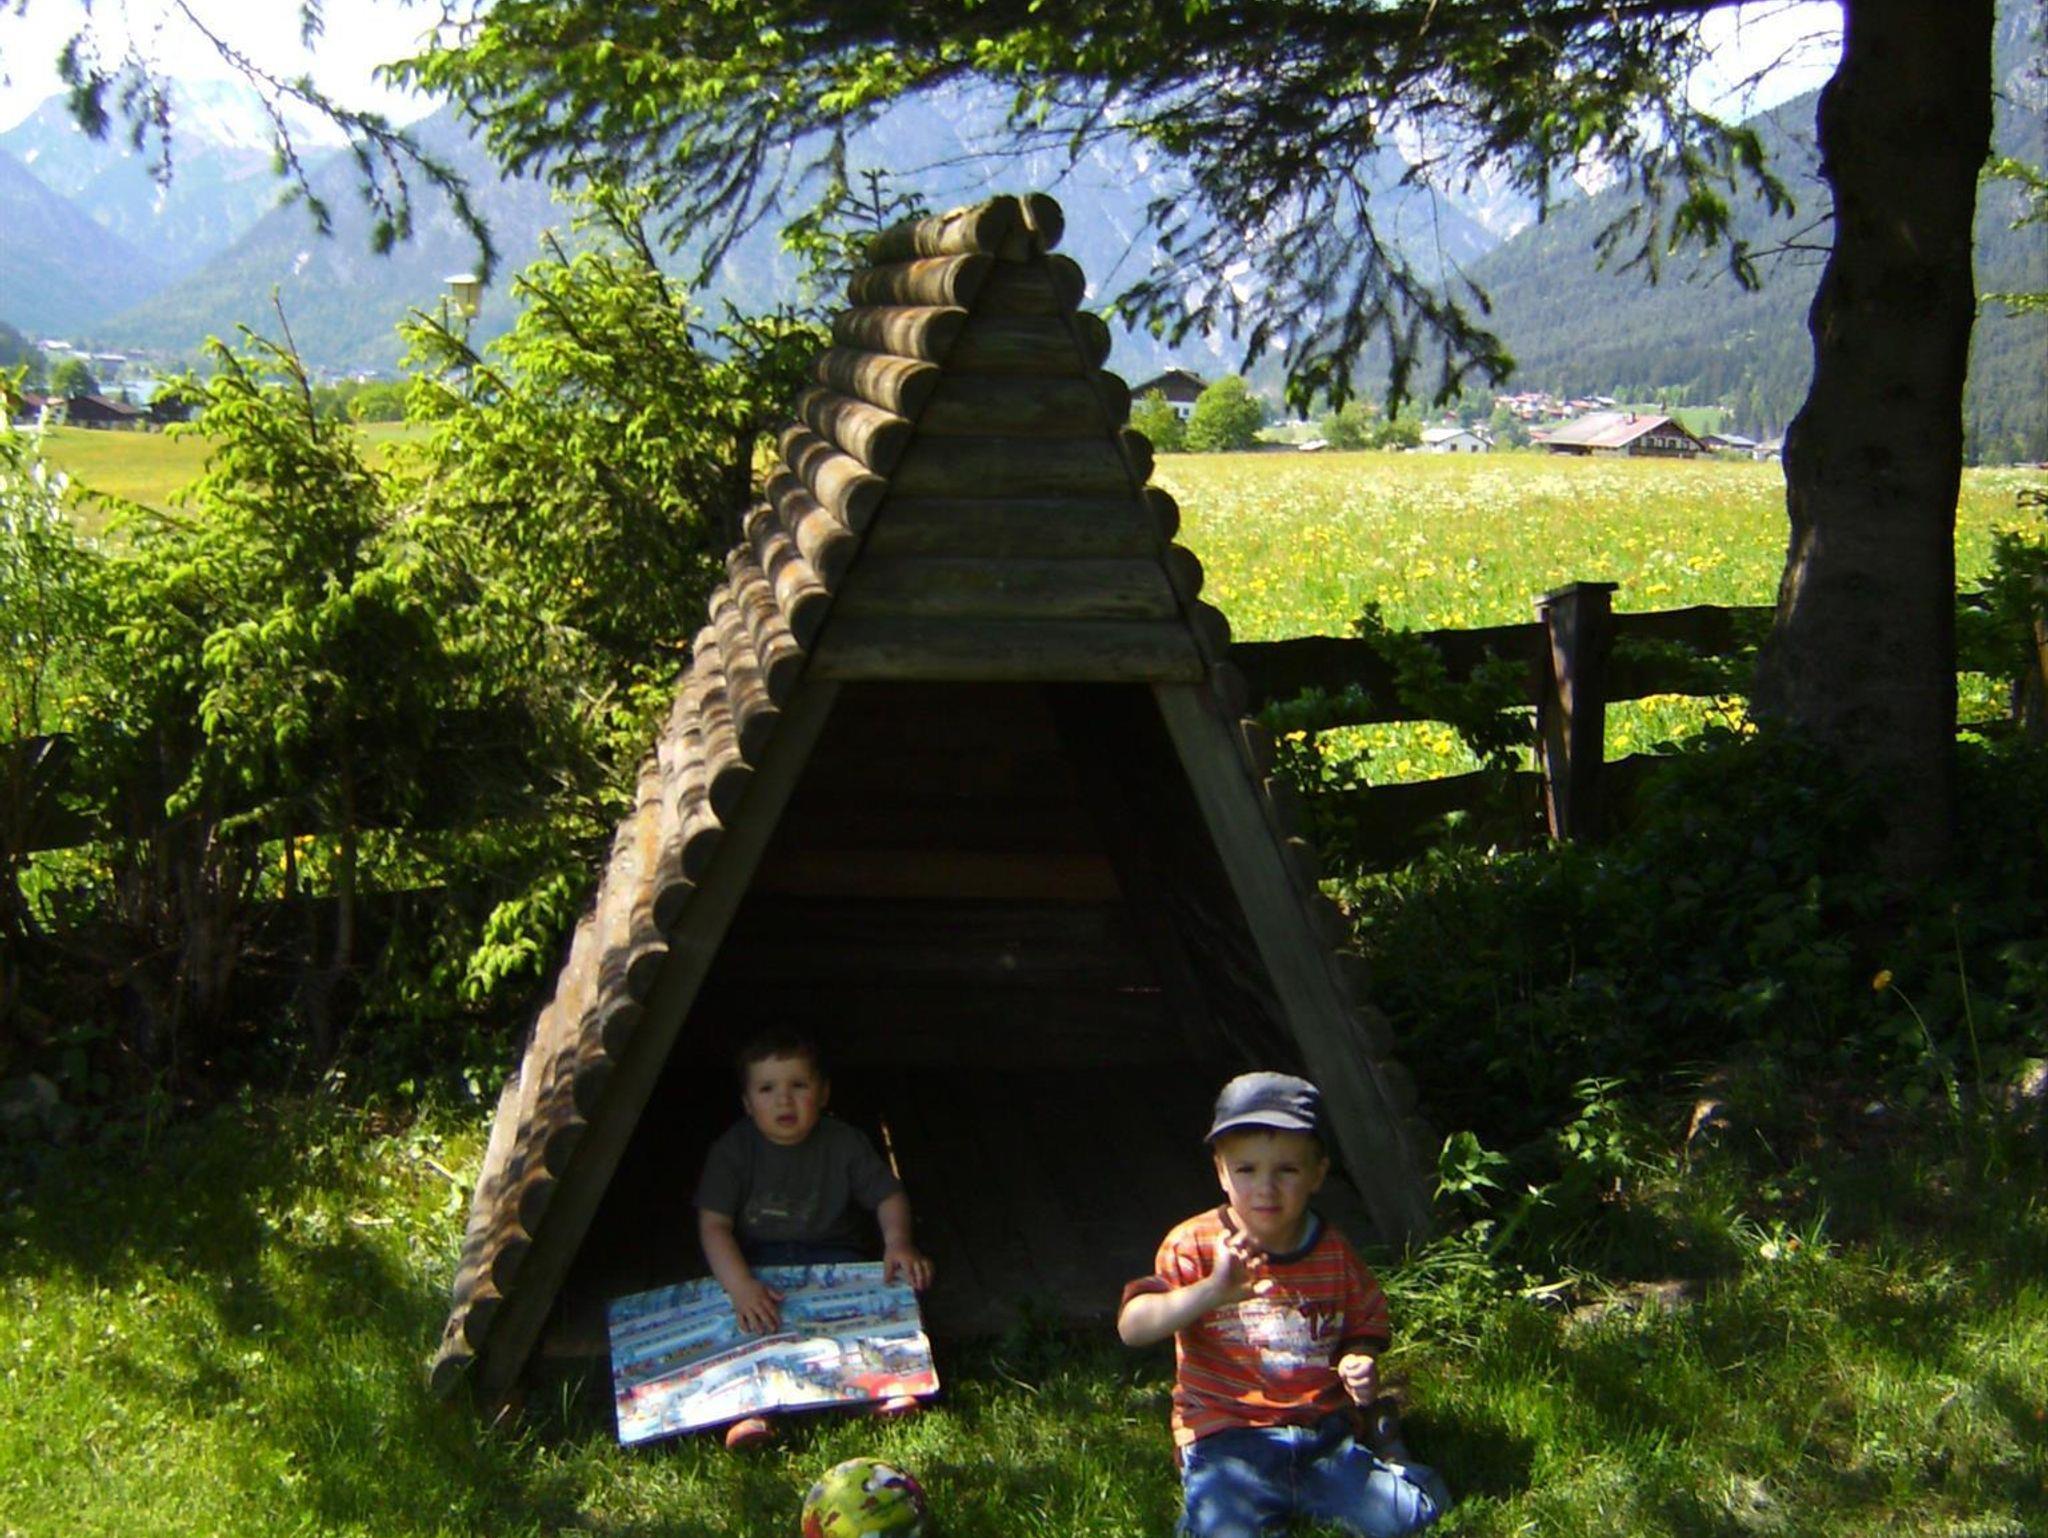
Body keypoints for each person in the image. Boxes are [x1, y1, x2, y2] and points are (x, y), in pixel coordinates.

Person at [1118, 1071, 1449, 1538]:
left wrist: (1358, 1358)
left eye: (1287, 1170)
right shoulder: (1193, 1244)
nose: (1265, 1188)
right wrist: (1212, 1290)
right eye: (1246, 1169)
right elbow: (1133, 1327)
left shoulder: (1333, 1251)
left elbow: (1363, 1321)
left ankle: (1387, 1445)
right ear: (1221, 1171)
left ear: (1317, 1173)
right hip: (1226, 1436)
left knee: (1408, 1516)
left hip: (1321, 1433)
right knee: (1225, 1530)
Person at [694, 1028, 934, 1449]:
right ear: (747, 1103)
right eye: (767, 1089)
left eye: (798, 1086)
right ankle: (750, 1411)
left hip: (834, 1255)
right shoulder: (732, 1151)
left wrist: (897, 1241)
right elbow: (713, 1225)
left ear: (823, 1094)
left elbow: (888, 1195)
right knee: (746, 1324)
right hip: (760, 1262)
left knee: (868, 1313)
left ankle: (882, 1390)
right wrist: (741, 1285)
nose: (784, 1100)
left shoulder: (844, 1142)